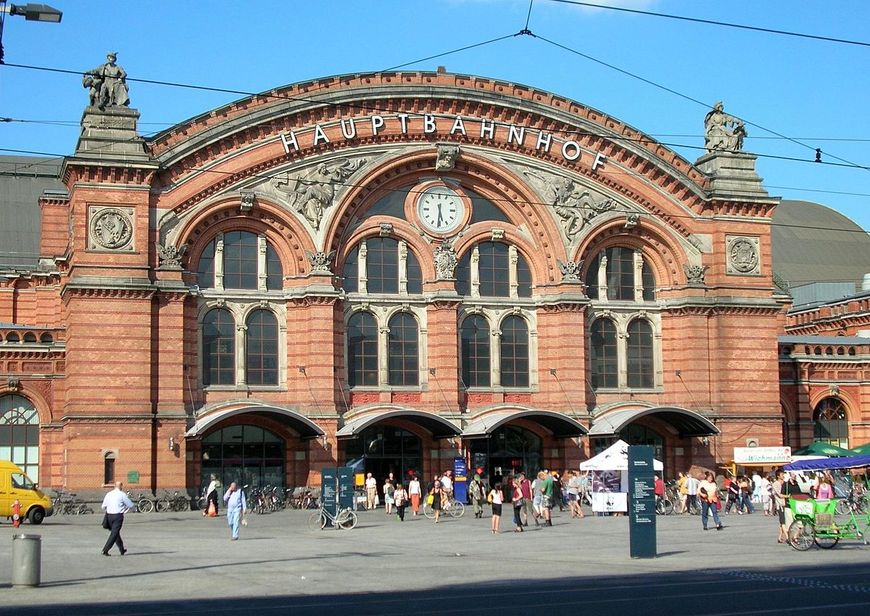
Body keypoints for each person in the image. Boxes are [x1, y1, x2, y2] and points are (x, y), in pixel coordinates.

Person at [100, 481, 134, 556]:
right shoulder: (122, 494)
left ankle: (122, 550)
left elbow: (103, 506)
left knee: (116, 533)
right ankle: (105, 550)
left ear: (114, 486)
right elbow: (130, 505)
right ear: (121, 486)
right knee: (114, 533)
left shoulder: (109, 494)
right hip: (118, 516)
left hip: (109, 516)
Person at [772, 470, 788, 544]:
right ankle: (788, 537)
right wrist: (789, 496)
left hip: (786, 504)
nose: (783, 475)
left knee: (782, 522)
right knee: (783, 521)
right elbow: (780, 495)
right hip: (780, 504)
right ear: (778, 476)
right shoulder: (775, 484)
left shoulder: (785, 483)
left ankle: (780, 537)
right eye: (782, 474)